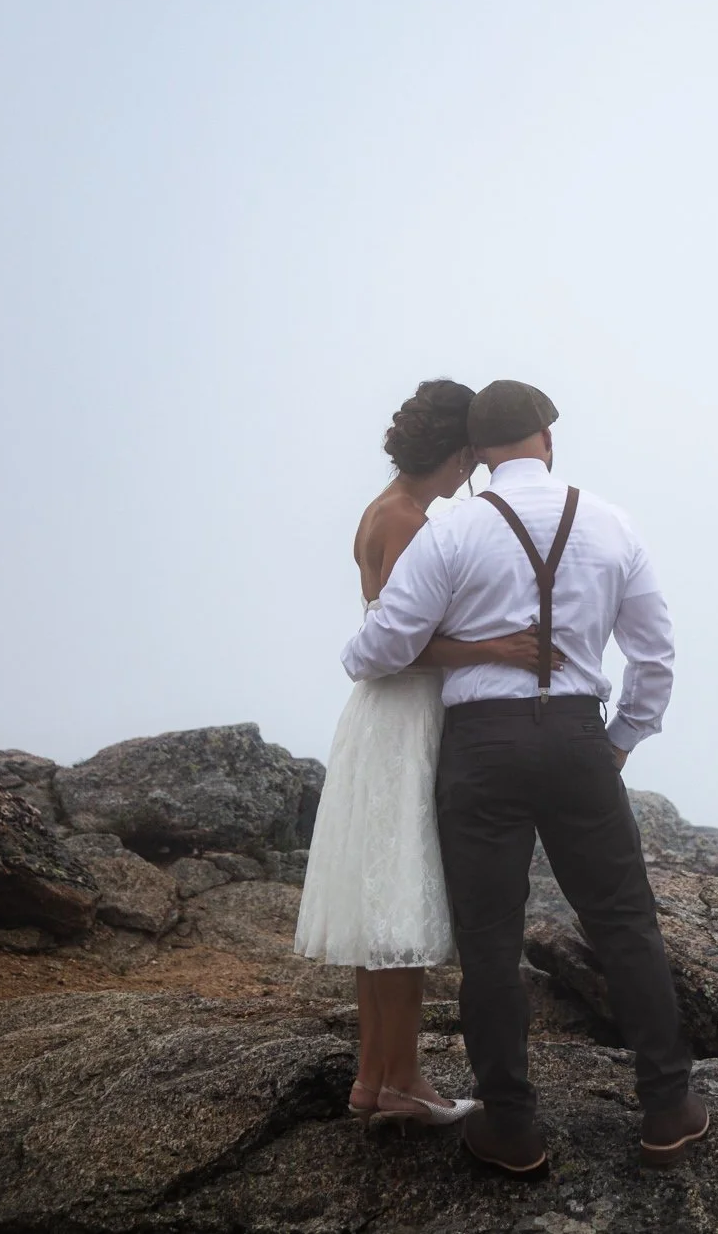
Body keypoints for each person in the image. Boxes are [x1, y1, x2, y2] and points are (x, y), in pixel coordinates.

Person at [340, 379, 705, 1175]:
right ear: (546, 439)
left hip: (479, 749)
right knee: (624, 924)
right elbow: (655, 654)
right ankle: (667, 1109)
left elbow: (373, 652)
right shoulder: (612, 523)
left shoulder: (452, 531)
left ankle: (511, 1126)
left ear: (480, 454)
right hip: (577, 738)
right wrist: (619, 740)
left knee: (490, 944)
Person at [295, 378, 560, 1131]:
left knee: (380, 899)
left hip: (378, 718)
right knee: (400, 901)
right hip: (406, 715)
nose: (472, 475)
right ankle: (403, 1077)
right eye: (469, 461)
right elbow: (401, 645)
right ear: (451, 454)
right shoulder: (410, 521)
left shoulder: (381, 511)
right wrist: (499, 647)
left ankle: (374, 1075)